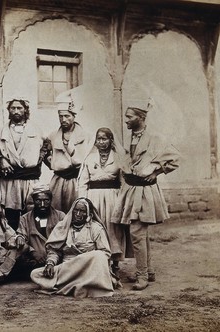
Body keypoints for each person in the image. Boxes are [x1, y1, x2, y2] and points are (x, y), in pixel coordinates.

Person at [111, 99, 180, 290]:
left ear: (141, 117)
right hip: (130, 190)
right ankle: (148, 271)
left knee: (137, 232)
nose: (126, 120)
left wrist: (156, 172)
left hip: (145, 192)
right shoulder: (130, 137)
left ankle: (142, 276)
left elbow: (175, 159)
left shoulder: (155, 138)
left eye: (129, 117)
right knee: (141, 233)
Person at [30, 197, 117, 298]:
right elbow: (54, 250)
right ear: (72, 211)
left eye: (82, 211)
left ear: (89, 214)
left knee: (99, 255)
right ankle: (76, 284)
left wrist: (83, 260)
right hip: (68, 269)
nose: (78, 214)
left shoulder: (96, 228)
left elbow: (105, 253)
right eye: (76, 210)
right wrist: (50, 263)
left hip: (89, 270)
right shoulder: (63, 227)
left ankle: (71, 285)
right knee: (35, 274)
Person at [78, 127, 131, 275]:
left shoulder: (118, 158)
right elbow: (82, 182)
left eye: (104, 139)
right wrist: (83, 202)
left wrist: (122, 201)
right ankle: (100, 264)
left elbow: (123, 183)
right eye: (98, 139)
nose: (101, 142)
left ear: (111, 140)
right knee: (96, 228)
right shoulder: (89, 159)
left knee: (113, 230)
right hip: (93, 198)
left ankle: (115, 264)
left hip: (113, 198)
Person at [0, 97, 46, 230]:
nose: (16, 111)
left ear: (25, 110)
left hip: (30, 178)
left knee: (32, 211)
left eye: (19, 108)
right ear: (9, 110)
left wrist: (40, 158)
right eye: (13, 108)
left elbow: (46, 145)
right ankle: (13, 239)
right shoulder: (3, 130)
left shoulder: (35, 129)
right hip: (11, 179)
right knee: (11, 212)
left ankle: (32, 240)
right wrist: (1, 160)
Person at [45, 88, 91, 213]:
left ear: (74, 116)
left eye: (67, 116)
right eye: (61, 116)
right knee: (56, 211)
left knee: (76, 211)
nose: (63, 120)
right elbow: (44, 152)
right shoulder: (53, 135)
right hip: (58, 181)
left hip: (76, 180)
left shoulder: (85, 135)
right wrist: (52, 162)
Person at [15, 183, 65, 275]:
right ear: (33, 200)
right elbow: (22, 238)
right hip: (34, 260)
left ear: (51, 200)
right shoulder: (25, 218)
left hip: (56, 258)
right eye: (38, 200)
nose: (42, 204)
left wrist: (52, 257)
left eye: (46, 200)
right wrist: (33, 252)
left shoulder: (61, 216)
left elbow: (64, 240)